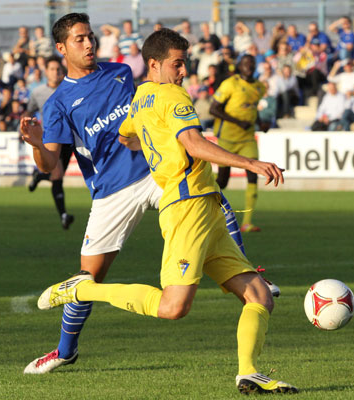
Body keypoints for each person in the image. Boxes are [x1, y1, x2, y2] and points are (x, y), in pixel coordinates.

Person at [36, 27, 297, 395]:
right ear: (155, 64)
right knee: (174, 307)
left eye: (185, 63)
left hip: (204, 203)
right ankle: (85, 291)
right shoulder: (173, 95)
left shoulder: (141, 93)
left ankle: (249, 372)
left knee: (259, 296)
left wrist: (151, 139)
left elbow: (127, 134)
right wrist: (250, 163)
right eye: (178, 64)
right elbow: (193, 143)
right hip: (185, 206)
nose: (183, 71)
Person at [210, 54, 268, 233]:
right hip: (227, 139)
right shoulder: (230, 84)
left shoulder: (259, 87)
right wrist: (237, 122)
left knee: (253, 175)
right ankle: (208, 210)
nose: (249, 67)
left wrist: (261, 123)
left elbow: (252, 110)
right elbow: (214, 109)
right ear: (239, 66)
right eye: (245, 64)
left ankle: (247, 222)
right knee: (222, 181)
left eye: (251, 64)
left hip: (248, 139)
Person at [26, 56, 75, 229]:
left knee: (56, 176)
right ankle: (63, 215)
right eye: (52, 69)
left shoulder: (69, 89)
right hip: (51, 138)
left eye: (59, 69)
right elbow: (29, 110)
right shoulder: (38, 92)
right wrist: (27, 125)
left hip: (70, 139)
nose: (56, 72)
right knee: (57, 175)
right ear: (46, 71)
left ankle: (39, 175)